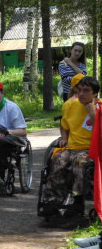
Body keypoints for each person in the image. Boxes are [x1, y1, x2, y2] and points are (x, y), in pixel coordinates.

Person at [43, 76, 99, 206]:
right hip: (72, 147)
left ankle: (76, 198)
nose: (81, 94)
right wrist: (64, 138)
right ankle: (53, 199)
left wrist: (92, 114)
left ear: (95, 93)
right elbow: (64, 124)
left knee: (78, 162)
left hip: (90, 149)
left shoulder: (99, 108)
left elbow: (100, 132)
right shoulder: (71, 104)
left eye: (86, 91)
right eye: (79, 90)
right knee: (57, 160)